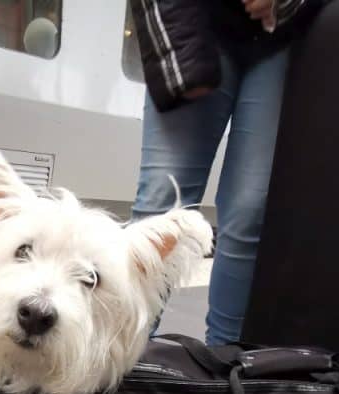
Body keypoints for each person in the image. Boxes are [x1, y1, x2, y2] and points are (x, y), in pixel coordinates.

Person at [129, 0, 322, 345]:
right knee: (158, 208)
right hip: (195, 20)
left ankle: (225, 364)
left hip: (281, 38)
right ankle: (124, 355)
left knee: (251, 214)